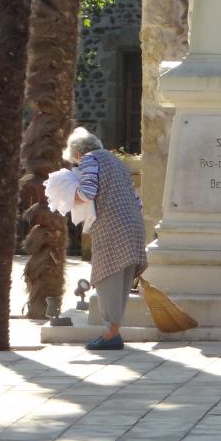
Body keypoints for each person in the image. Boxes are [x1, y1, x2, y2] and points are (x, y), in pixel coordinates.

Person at [66, 127, 148, 351]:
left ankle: (111, 333)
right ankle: (113, 331)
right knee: (121, 281)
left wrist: (70, 196)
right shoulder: (116, 162)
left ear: (78, 153)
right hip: (134, 224)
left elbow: (88, 191)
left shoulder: (90, 160)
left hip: (112, 226)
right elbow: (136, 199)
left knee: (107, 278)